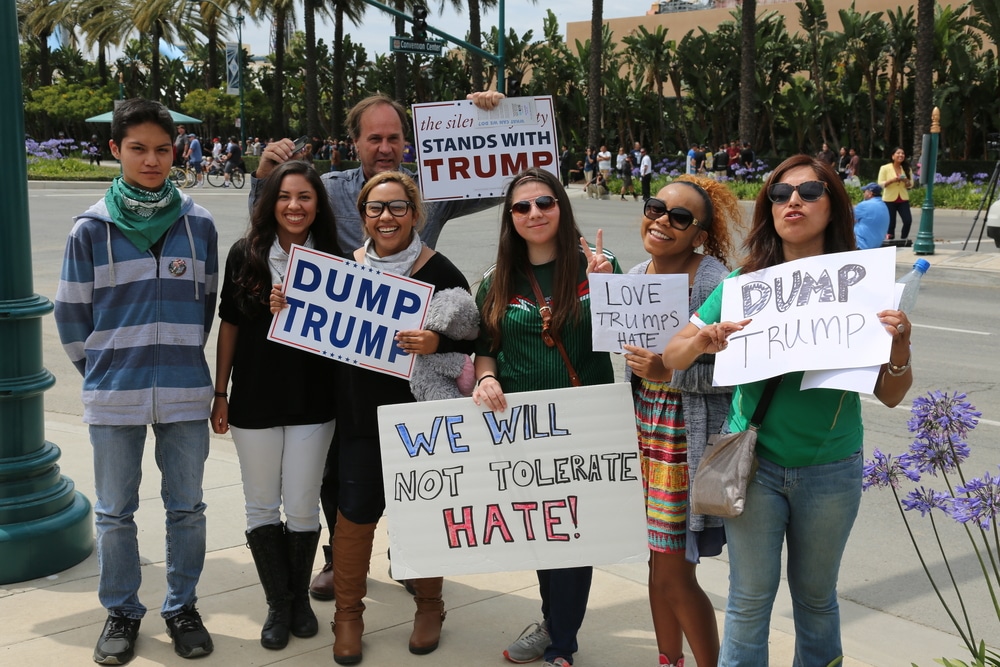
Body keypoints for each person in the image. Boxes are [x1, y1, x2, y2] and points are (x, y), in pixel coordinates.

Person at [250, 92, 503, 601]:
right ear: (356, 142)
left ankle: (408, 557)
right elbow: (277, 215)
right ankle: (339, 559)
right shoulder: (326, 187)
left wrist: (493, 117)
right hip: (336, 357)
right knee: (336, 465)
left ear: (406, 144)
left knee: (412, 467)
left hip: (407, 360)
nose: (384, 147)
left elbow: (504, 180)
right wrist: (263, 176)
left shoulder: (433, 188)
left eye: (393, 138)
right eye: (374, 138)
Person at [662, 154, 914, 666]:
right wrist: (703, 341)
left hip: (831, 468)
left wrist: (900, 346)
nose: (792, 201)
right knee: (749, 601)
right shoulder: (743, 285)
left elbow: (891, 394)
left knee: (817, 601)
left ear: (833, 205)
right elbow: (671, 356)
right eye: (779, 194)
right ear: (769, 208)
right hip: (753, 467)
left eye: (808, 192)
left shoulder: (863, 288)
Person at [269, 171, 473, 664]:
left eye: (398, 207)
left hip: (420, 426)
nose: (387, 217)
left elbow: (474, 339)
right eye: (376, 208)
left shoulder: (441, 271)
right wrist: (287, 306)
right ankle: (348, 616)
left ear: (415, 214)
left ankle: (430, 605)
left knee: (422, 517)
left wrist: (437, 342)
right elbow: (319, 337)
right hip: (360, 421)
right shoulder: (341, 270)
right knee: (353, 517)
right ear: (362, 215)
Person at [53, 98, 218, 665]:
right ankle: (122, 611)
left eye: (162, 150)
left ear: (177, 152)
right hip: (113, 393)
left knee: (187, 509)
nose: (152, 161)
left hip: (183, 390)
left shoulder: (198, 224)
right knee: (114, 512)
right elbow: (72, 316)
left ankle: (182, 607)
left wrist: (176, 357)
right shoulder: (89, 230)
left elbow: (206, 306)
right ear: (115, 151)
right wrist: (104, 367)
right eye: (138, 149)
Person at [472, 167, 619, 667]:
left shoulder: (600, 265)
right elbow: (484, 350)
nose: (534, 213)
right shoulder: (493, 282)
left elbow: (627, 340)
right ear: (510, 219)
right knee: (540, 531)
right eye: (522, 207)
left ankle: (561, 643)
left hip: (587, 425)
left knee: (575, 535)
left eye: (545, 203)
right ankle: (551, 621)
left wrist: (606, 291)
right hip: (523, 430)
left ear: (561, 207)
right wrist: (487, 378)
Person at [211, 160, 342, 651]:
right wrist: (219, 391)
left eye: (305, 197)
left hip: (313, 400)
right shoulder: (245, 254)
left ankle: (301, 600)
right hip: (254, 398)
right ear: (271, 202)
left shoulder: (336, 258)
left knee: (304, 503)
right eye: (285, 196)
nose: (294, 206)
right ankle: (278, 603)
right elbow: (229, 324)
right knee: (261, 504)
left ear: (317, 205)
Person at [623, 175, 743, 667]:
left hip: (683, 438)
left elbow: (738, 374)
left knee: (673, 573)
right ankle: (668, 659)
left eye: (680, 219)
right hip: (641, 436)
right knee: (656, 567)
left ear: (699, 234)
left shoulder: (717, 282)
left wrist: (665, 374)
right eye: (657, 209)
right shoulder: (631, 276)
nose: (662, 222)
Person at [878, 147, 913, 240]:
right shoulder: (885, 168)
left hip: (903, 199)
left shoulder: (907, 169)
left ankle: (903, 239)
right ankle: (890, 240)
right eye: (898, 153)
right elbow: (880, 184)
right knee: (891, 223)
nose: (901, 155)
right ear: (893, 156)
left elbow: (910, 185)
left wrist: (905, 180)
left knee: (907, 220)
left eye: (903, 153)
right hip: (889, 199)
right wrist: (893, 180)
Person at [854, 182, 890, 250]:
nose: (863, 193)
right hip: (876, 244)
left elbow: (846, 219)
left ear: (870, 193)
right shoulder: (884, 205)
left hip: (861, 245)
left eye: (865, 191)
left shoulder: (864, 205)